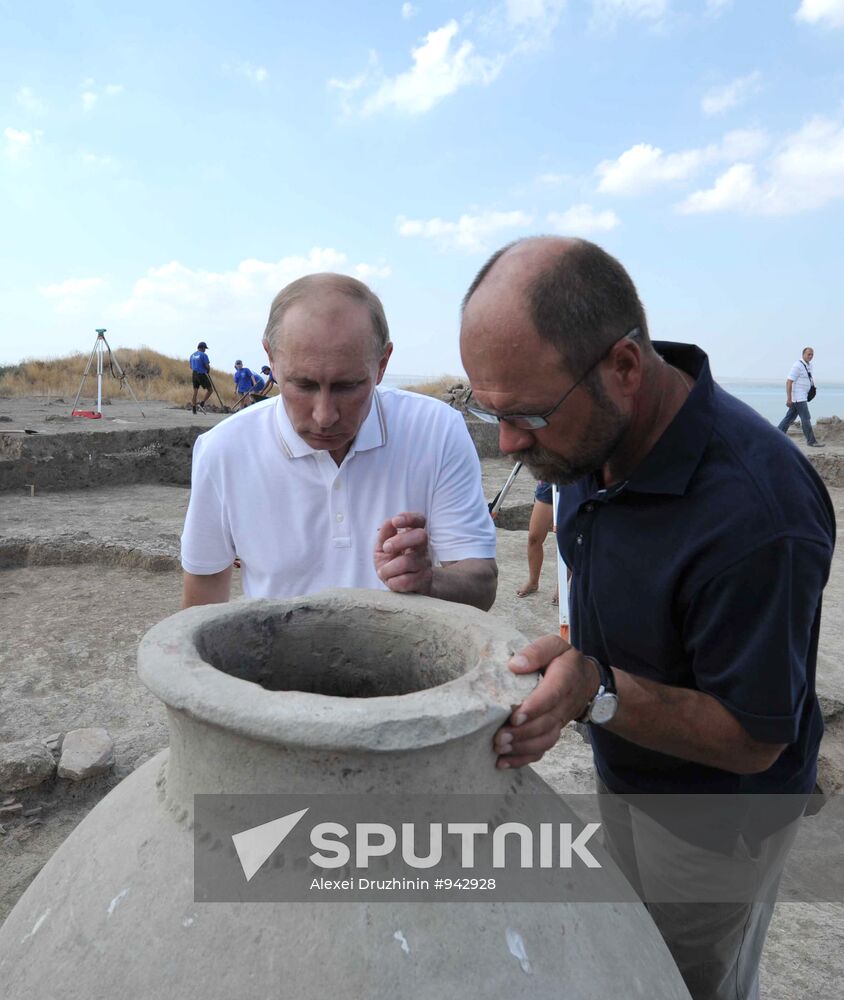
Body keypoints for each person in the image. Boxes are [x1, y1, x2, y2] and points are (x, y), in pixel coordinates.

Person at [459, 236, 835, 1000]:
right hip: (625, 767)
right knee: (622, 954)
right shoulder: (589, 437)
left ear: (625, 368)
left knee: (681, 981)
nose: (507, 443)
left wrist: (595, 690)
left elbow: (756, 738)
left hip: (714, 821)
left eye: (527, 413)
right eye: (488, 410)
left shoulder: (756, 514)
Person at [181, 273, 497, 611]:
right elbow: (201, 610)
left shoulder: (436, 430)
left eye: (348, 386)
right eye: (303, 385)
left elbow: (480, 582)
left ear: (382, 364)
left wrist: (429, 580)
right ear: (271, 359)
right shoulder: (223, 451)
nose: (324, 415)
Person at [515, 481, 558, 603]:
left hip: (573, 479)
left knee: (566, 540)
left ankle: (562, 588)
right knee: (534, 537)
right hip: (549, 480)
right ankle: (533, 582)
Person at [777, 347, 824, 447]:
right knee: (806, 418)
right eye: (808, 354)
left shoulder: (809, 365)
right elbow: (789, 382)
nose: (810, 356)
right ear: (803, 354)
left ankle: (776, 436)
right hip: (798, 397)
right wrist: (789, 398)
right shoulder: (797, 365)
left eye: (812, 354)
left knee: (789, 418)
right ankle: (811, 441)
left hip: (802, 396)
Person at [189, 341, 212, 414]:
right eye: (205, 348)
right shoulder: (203, 355)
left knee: (195, 392)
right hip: (201, 374)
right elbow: (206, 365)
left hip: (194, 374)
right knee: (210, 390)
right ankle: (202, 403)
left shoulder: (192, 355)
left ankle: (193, 409)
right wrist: (208, 370)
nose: (205, 350)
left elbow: (191, 366)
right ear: (202, 348)